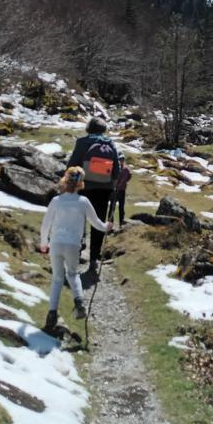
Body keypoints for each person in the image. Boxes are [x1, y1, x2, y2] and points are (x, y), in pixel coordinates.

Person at [40, 167, 112, 332]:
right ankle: (79, 303)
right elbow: (96, 223)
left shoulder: (56, 201)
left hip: (56, 244)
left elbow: (45, 225)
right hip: (73, 245)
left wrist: (44, 243)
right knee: (72, 274)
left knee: (57, 279)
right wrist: (106, 227)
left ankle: (51, 315)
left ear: (64, 181)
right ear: (81, 184)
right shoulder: (83, 202)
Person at [65, 117, 121, 277]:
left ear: (88, 128)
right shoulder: (110, 144)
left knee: (79, 218)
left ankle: (78, 247)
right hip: (104, 189)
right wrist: (113, 185)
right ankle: (94, 259)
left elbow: (72, 165)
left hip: (84, 187)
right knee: (98, 221)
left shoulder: (82, 142)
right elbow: (116, 169)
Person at [108, 155, 131, 225]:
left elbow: (126, 179)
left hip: (119, 190)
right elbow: (128, 178)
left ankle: (120, 223)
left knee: (119, 208)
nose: (121, 161)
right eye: (120, 159)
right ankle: (111, 224)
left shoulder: (125, 169)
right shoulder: (124, 169)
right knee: (113, 208)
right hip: (116, 190)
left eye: (122, 159)